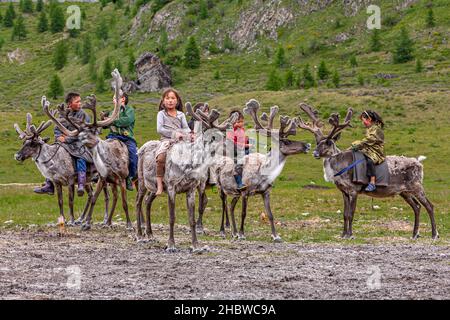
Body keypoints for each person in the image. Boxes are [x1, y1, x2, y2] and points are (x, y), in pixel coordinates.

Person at [34, 92, 91, 196]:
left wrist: (67, 138)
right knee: (53, 157)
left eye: (80, 101)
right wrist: (58, 136)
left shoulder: (84, 115)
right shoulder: (63, 114)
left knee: (80, 158)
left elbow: (82, 132)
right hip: (64, 143)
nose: (80, 103)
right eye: (77, 102)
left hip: (79, 143)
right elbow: (57, 127)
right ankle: (49, 184)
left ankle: (81, 183)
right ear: (70, 104)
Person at [155, 88, 193, 195]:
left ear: (177, 101)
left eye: (173, 98)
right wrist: (173, 134)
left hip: (181, 141)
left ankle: (189, 179)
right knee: (161, 157)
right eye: (167, 98)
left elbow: (186, 128)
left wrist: (187, 134)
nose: (170, 100)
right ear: (163, 101)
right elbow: (160, 129)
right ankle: (159, 184)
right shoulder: (161, 114)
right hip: (166, 140)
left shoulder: (181, 115)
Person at [102, 93, 137, 191]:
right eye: (113, 98)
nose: (113, 100)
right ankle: (99, 173)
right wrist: (104, 120)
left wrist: (112, 120)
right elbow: (105, 125)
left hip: (126, 137)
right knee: (101, 150)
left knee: (133, 154)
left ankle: (130, 177)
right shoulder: (111, 112)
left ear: (123, 99)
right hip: (113, 136)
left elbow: (127, 121)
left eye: (116, 98)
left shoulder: (129, 110)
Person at [350, 110, 385, 192]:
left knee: (369, 161)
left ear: (369, 119)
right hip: (368, 149)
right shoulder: (369, 129)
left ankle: (372, 182)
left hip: (376, 151)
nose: (363, 122)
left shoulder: (376, 129)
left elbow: (369, 140)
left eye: (363, 120)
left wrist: (358, 144)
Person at [226, 110, 251, 190]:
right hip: (235, 152)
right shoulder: (230, 131)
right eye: (238, 122)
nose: (241, 123)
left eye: (242, 121)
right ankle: (240, 183)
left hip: (245, 150)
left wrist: (248, 140)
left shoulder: (242, 129)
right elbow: (233, 143)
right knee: (237, 166)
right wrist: (245, 145)